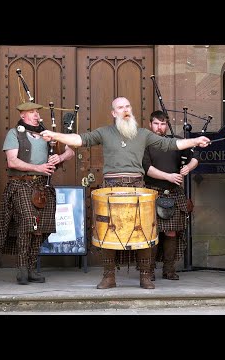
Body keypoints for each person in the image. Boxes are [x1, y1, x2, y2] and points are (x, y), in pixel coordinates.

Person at [41, 97, 210, 289]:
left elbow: (170, 145)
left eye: (128, 106)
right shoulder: (104, 132)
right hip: (110, 187)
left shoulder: (143, 134)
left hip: (137, 186)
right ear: (114, 113)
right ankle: (109, 277)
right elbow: (80, 140)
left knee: (144, 232)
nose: (125, 110)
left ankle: (145, 276)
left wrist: (195, 140)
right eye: (120, 107)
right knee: (108, 232)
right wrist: (55, 135)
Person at [0, 101, 75, 285]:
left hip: (43, 186)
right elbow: (12, 162)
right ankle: (22, 268)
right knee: (27, 223)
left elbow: (70, 151)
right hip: (21, 184)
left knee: (41, 228)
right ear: (23, 115)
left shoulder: (48, 134)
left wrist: (59, 157)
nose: (36, 115)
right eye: (31, 112)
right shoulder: (14, 133)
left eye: (37, 112)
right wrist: (38, 168)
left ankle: (31, 268)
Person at [142, 110, 199, 281]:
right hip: (152, 191)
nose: (160, 127)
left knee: (171, 233)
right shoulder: (144, 143)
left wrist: (189, 167)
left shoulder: (176, 142)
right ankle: (149, 270)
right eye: (156, 124)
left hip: (173, 193)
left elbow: (195, 156)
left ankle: (169, 269)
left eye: (163, 124)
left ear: (167, 125)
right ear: (150, 124)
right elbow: (147, 168)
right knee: (151, 233)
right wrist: (168, 176)